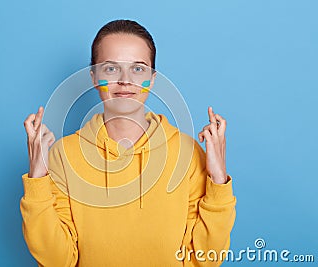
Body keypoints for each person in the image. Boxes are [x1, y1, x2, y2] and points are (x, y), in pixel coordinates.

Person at [20, 19, 236, 267]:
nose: (125, 80)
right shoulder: (63, 154)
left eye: (138, 69)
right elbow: (57, 261)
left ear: (153, 78)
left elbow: (204, 260)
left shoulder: (187, 153)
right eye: (111, 69)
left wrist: (218, 182)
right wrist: (37, 179)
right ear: (93, 77)